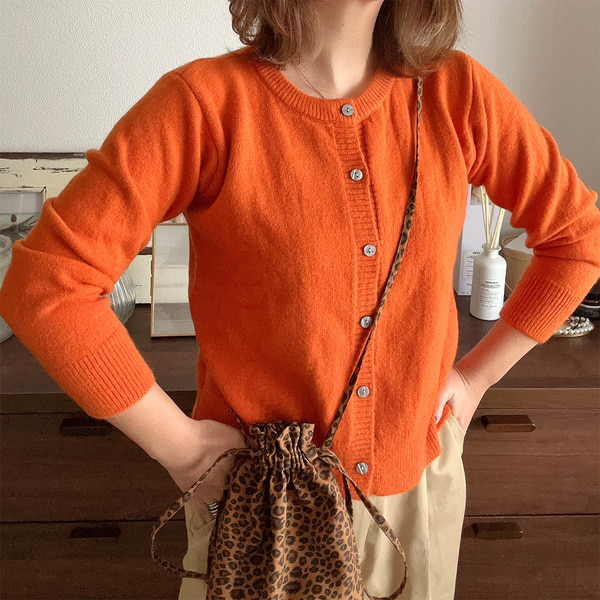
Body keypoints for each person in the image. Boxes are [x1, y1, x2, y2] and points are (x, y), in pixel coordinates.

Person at [1, 1, 598, 599]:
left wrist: (474, 379)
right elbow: (46, 285)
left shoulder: (457, 93)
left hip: (414, 495)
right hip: (261, 510)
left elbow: (577, 238)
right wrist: (180, 449)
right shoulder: (205, 105)